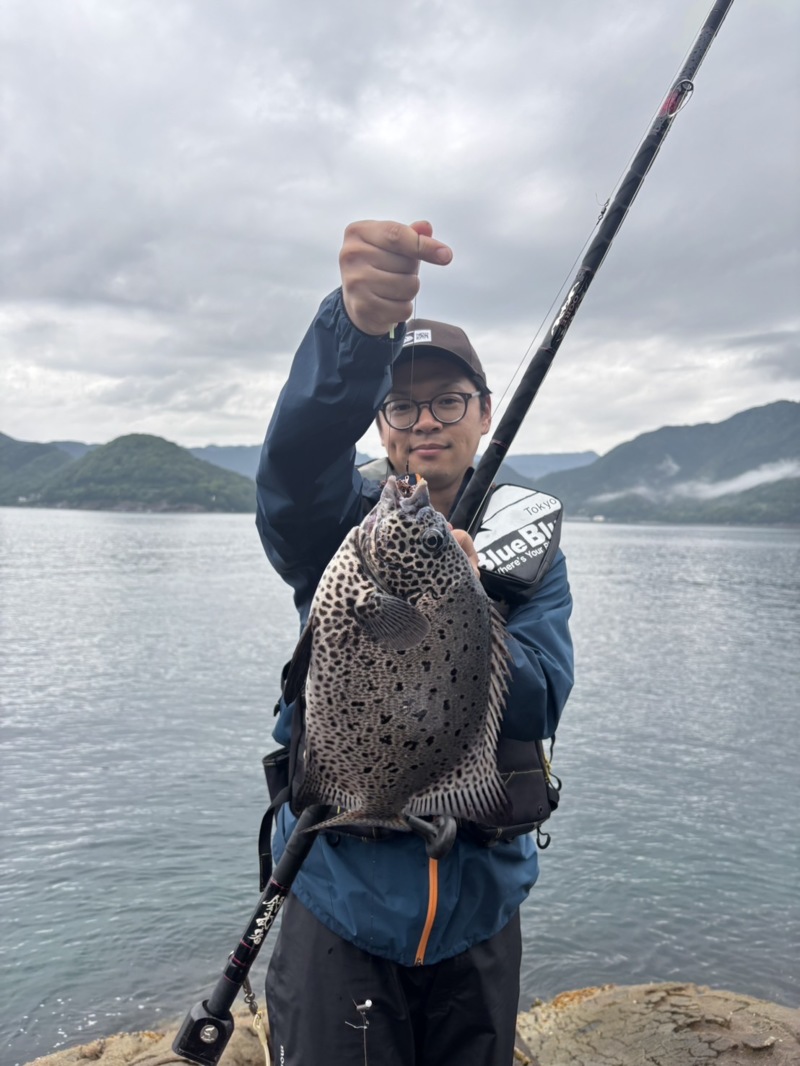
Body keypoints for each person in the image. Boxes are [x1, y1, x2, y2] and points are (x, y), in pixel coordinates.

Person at [255, 219, 574, 1065]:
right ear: (378, 420)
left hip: (480, 914)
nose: (423, 421)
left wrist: (472, 608)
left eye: (448, 401)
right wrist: (354, 335)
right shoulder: (343, 532)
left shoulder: (525, 542)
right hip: (343, 899)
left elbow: (541, 696)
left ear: (484, 412)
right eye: (400, 403)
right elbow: (290, 479)